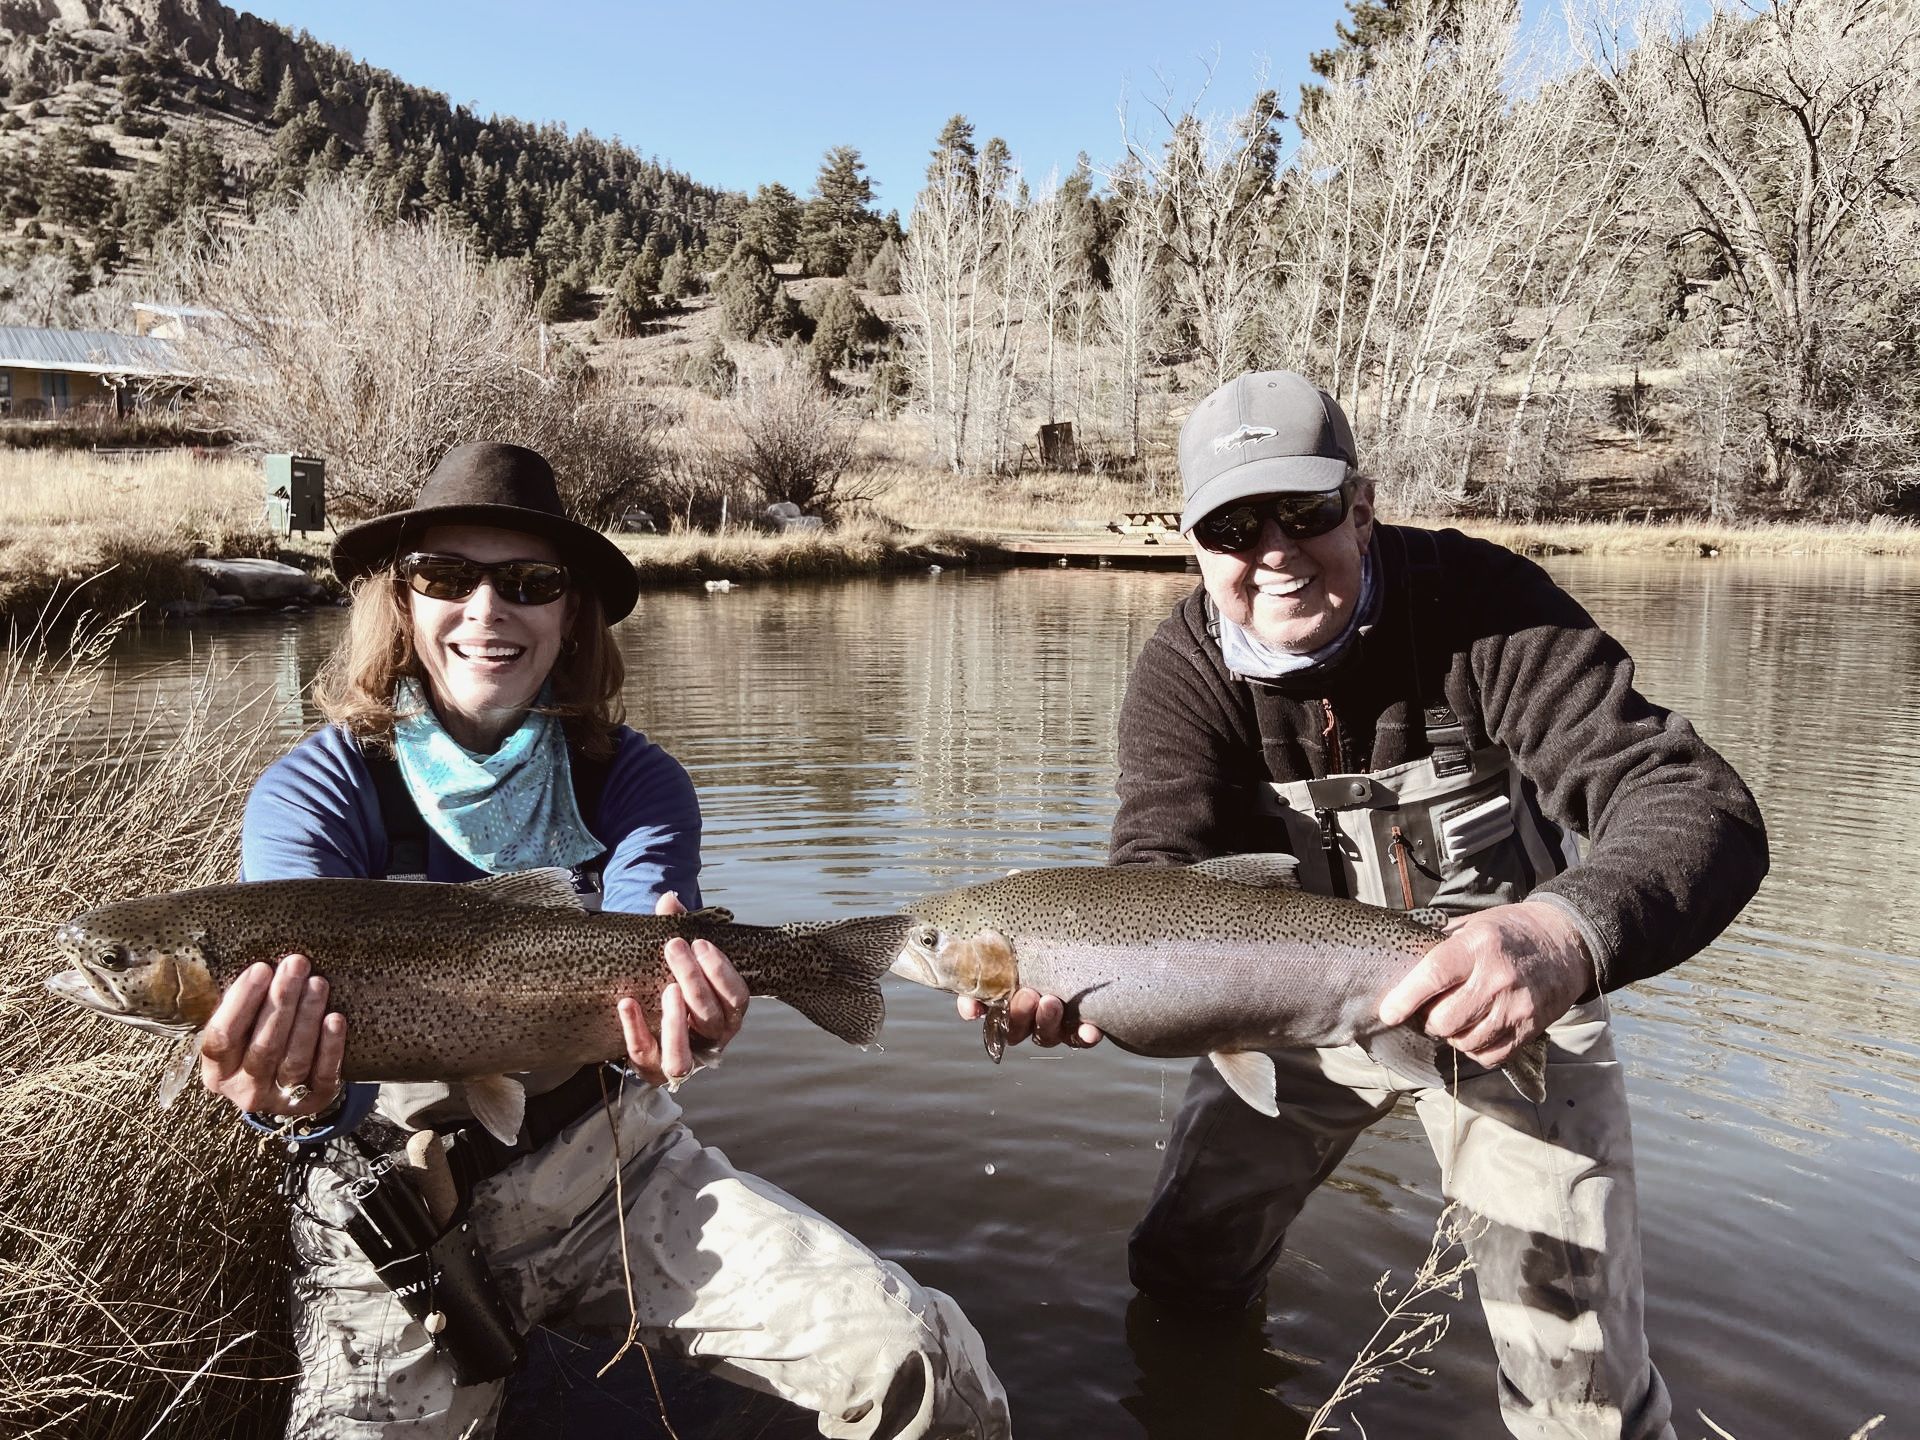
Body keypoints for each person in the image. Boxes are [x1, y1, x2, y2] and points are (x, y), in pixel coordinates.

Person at [968, 372, 1768, 1440]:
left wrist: (1561, 933)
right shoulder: (1184, 670)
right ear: (1192, 543)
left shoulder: (1488, 611)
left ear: (1364, 504)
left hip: (1510, 994)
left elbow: (1694, 801)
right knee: (1182, 1269)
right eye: (1233, 528)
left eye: (1305, 515)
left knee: (1580, 1387)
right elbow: (1161, 868)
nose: (1276, 553)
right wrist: (1077, 975)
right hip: (1281, 1006)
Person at [198, 442, 1010, 1440]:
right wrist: (291, 1096)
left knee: (915, 1360)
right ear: (400, 603)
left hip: (610, 1165)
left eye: (530, 583)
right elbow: (291, 1056)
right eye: (447, 578)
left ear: (571, 611)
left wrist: (687, 1024)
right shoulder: (317, 792)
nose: (487, 613)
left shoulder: (635, 781)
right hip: (389, 1203)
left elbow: (650, 943)